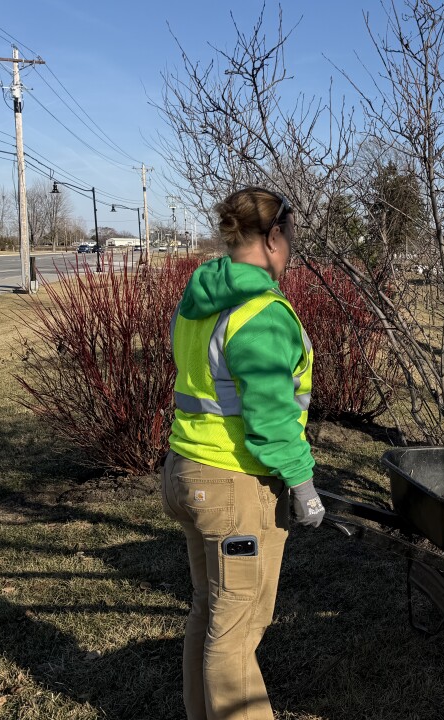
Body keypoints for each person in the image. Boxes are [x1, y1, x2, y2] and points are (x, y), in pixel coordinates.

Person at [161, 187, 325, 720]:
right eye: (291, 236)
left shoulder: (199, 297)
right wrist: (302, 485)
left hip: (187, 473)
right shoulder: (263, 313)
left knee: (210, 613)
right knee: (235, 634)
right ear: (274, 236)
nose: (292, 246)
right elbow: (272, 417)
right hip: (234, 488)